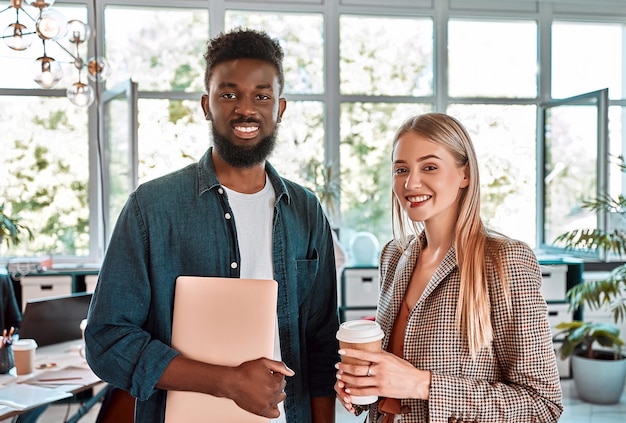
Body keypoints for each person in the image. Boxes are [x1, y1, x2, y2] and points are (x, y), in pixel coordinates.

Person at [85, 28, 339, 423]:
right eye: (229, 94)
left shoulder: (306, 210)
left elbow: (322, 343)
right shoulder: (150, 207)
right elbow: (107, 340)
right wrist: (227, 381)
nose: (246, 108)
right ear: (207, 105)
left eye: (262, 95)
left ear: (280, 107)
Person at [334, 113, 563, 422]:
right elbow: (392, 372)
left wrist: (423, 385)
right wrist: (364, 387)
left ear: (465, 174)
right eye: (401, 169)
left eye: (429, 167)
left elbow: (542, 405)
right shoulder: (393, 256)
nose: (411, 182)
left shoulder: (504, 260)